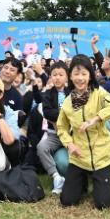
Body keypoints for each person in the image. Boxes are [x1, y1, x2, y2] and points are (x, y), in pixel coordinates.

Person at [56, 56, 110, 210]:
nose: (80, 78)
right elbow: (61, 127)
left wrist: (97, 118)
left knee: (104, 204)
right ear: (70, 76)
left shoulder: (99, 93)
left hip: (100, 155)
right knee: (67, 201)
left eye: (84, 74)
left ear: (90, 76)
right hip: (79, 157)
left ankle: (103, 180)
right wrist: (70, 144)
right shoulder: (67, 102)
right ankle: (83, 181)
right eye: (76, 74)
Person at [36, 61, 70, 193]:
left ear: (67, 77)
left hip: (72, 134)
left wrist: (58, 114)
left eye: (61, 75)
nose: (57, 78)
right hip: (54, 135)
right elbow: (47, 112)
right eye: (54, 75)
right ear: (50, 77)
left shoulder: (72, 92)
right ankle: (56, 177)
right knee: (41, 147)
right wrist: (65, 113)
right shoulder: (48, 94)